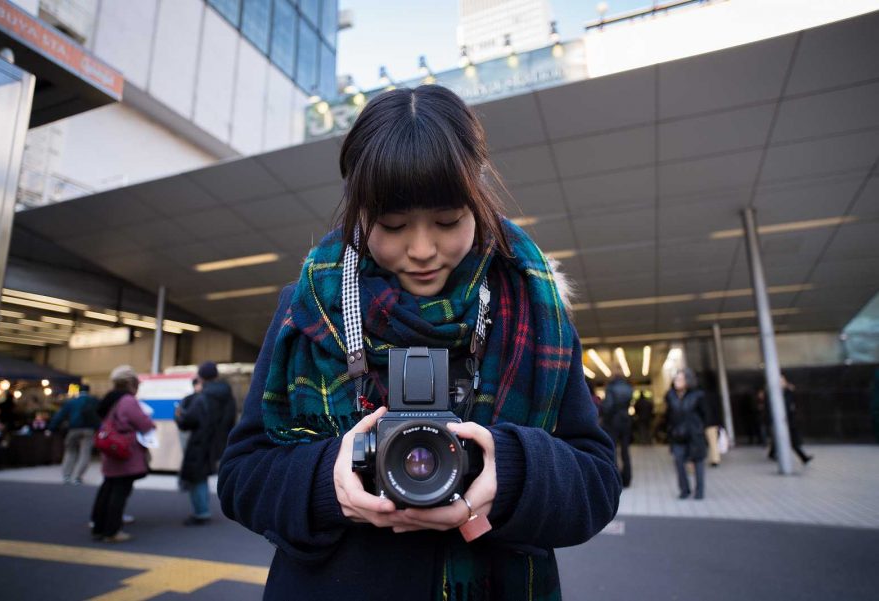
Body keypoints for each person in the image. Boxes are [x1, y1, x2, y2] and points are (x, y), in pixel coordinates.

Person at [218, 85, 621, 601]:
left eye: (448, 221)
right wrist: (329, 484)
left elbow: (597, 483)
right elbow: (240, 477)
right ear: (360, 214)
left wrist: (513, 475)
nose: (423, 249)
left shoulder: (534, 308)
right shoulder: (307, 308)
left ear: (476, 200)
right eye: (393, 225)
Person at [90, 365, 154, 543]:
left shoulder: (109, 399)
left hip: (110, 450)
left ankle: (98, 526)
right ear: (131, 383)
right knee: (120, 491)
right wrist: (150, 422)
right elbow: (144, 424)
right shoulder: (127, 400)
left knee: (108, 487)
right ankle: (112, 531)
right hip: (123, 452)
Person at [175, 377, 220, 526]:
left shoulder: (199, 400)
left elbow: (188, 422)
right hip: (210, 443)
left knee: (196, 479)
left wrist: (179, 417)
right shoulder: (217, 399)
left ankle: (201, 512)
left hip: (198, 443)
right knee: (202, 478)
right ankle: (203, 509)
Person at [665, 368, 707, 500]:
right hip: (677, 435)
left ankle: (699, 491)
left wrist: (699, 428)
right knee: (678, 462)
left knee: (698, 462)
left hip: (695, 434)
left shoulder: (698, 395)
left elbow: (704, 414)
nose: (677, 381)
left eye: (680, 379)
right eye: (676, 379)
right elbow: (669, 416)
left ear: (688, 381)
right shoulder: (670, 396)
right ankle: (684, 490)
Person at [47, 384, 100, 484]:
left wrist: (51, 427)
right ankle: (77, 477)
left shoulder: (72, 402)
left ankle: (67, 476)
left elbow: (60, 415)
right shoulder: (94, 401)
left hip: (73, 429)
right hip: (89, 430)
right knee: (85, 453)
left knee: (70, 452)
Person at [767, 374, 813, 465]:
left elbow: (792, 403)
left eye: (783, 380)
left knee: (784, 439)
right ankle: (803, 457)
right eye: (780, 381)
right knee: (790, 440)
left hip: (789, 420)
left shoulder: (788, 391)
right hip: (781, 421)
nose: (782, 382)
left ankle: (772, 453)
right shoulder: (775, 394)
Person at [197, 361, 236, 462]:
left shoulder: (203, 395)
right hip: (224, 440)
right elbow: (231, 415)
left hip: (205, 444)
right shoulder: (227, 391)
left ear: (201, 377)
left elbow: (196, 419)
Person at [601, 376, 633, 487]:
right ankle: (627, 479)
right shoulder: (629, 388)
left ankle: (617, 479)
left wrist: (604, 417)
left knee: (613, 450)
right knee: (625, 451)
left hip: (613, 422)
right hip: (626, 421)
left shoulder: (610, 388)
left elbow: (608, 406)